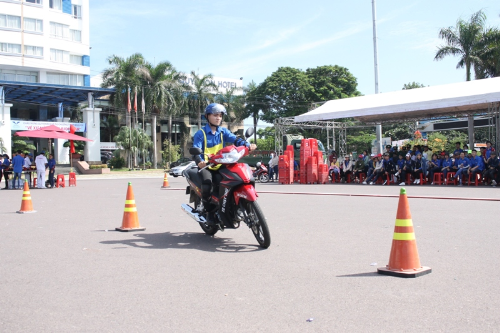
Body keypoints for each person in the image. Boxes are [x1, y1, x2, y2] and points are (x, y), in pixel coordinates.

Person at [192, 103, 256, 224]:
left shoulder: (223, 131)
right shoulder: (201, 133)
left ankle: (236, 205)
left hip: (222, 163)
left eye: (220, 116)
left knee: (238, 178)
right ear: (207, 116)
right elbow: (196, 150)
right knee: (207, 183)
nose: (218, 118)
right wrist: (200, 161)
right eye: (215, 115)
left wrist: (248, 145)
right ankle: (209, 212)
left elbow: (236, 140)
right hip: (207, 166)